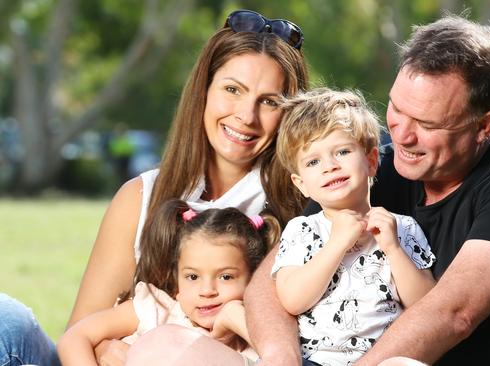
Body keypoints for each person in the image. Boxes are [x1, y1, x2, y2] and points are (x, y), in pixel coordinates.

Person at [245, 14, 490, 366]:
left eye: (426, 123)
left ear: (484, 125)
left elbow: (453, 314)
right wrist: (280, 358)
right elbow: (268, 286)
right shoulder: (374, 169)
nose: (402, 134)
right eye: (397, 108)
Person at [0, 8, 308, 366]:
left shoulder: (298, 208)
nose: (246, 116)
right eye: (232, 90)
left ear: (290, 114)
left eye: (269, 101)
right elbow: (81, 331)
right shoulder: (141, 196)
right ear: (203, 91)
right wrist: (105, 348)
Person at [271, 88, 436, 365]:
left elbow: (426, 306)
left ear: (371, 161)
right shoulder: (303, 230)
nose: (330, 166)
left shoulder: (402, 227)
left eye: (343, 151)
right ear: (301, 184)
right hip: (313, 360)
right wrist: (336, 244)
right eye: (313, 161)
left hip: (382, 359)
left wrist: (393, 249)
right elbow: (292, 299)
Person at [58, 200, 279, 366]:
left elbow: (280, 358)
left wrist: (236, 318)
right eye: (192, 277)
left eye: (225, 277)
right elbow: (75, 338)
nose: (207, 291)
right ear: (177, 284)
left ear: (254, 279)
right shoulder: (157, 309)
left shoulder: (257, 339)